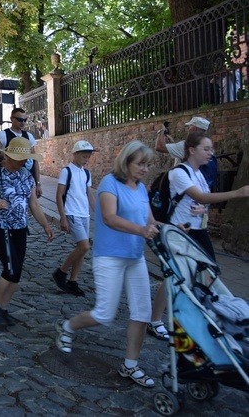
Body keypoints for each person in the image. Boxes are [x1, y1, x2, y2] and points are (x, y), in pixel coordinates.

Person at [55, 141, 160, 388]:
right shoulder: (109, 184)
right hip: (110, 256)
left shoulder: (141, 188)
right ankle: (67, 326)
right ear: (126, 162)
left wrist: (165, 229)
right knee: (104, 314)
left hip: (135, 257)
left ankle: (130, 365)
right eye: (140, 164)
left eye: (148, 165)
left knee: (142, 313)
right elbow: (110, 218)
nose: (145, 169)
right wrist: (141, 230)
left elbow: (150, 220)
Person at [148, 131, 249, 340]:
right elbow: (200, 196)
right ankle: (156, 320)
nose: (211, 153)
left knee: (208, 274)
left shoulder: (199, 173)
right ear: (192, 150)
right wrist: (238, 193)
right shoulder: (179, 173)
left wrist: (202, 209)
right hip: (180, 232)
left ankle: (204, 318)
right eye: (206, 149)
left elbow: (199, 201)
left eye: (211, 149)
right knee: (173, 277)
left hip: (198, 231)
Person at [0, 136, 54, 327]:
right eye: (20, 158)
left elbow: (33, 203)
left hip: (19, 227)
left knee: (16, 271)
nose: (24, 162)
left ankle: (3, 307)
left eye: (26, 159)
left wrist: (45, 225)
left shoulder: (26, 175)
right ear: (9, 156)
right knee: (10, 268)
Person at [52, 140, 97, 297]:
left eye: (88, 157)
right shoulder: (67, 171)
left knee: (82, 250)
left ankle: (73, 281)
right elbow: (59, 195)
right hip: (72, 213)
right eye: (84, 156)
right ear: (75, 154)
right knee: (84, 246)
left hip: (84, 214)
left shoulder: (86, 173)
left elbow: (89, 194)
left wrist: (98, 212)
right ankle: (61, 272)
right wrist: (62, 217)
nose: (86, 160)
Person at [0, 108, 42, 198]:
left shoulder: (29, 136)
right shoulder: (2, 135)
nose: (23, 122)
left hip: (27, 180)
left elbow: (35, 161)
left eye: (25, 120)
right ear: (11, 119)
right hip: (9, 182)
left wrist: (38, 183)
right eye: (20, 119)